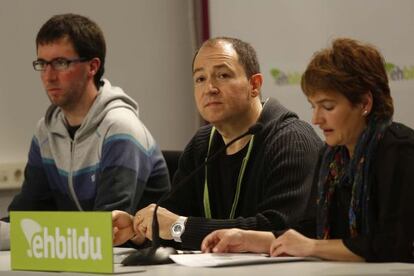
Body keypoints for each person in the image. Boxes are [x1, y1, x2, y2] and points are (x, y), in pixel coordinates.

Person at [201, 38, 414, 262]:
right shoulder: (332, 157)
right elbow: (311, 230)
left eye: (328, 106)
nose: (316, 119)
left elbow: (391, 244)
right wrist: (248, 239)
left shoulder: (400, 151)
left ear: (364, 103)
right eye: (314, 106)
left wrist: (313, 247)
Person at [112, 37, 322, 249]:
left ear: (254, 85)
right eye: (200, 79)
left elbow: (279, 229)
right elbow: (168, 217)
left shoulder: (292, 140)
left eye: (223, 75)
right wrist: (138, 230)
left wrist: (180, 227)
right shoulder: (201, 145)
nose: (209, 88)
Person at [0, 13, 170, 250]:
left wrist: (36, 232)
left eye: (61, 63)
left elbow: (106, 226)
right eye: (42, 64)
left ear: (92, 66)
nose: (48, 76)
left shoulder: (120, 128)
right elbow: (26, 215)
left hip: (136, 262)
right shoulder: (46, 131)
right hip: (81, 256)